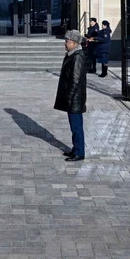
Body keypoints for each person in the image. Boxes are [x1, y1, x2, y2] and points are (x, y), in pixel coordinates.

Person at [54, 29, 87, 162]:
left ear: (74, 43)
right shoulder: (71, 55)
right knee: (74, 126)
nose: (65, 43)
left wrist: (70, 97)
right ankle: (76, 148)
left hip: (75, 99)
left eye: (67, 41)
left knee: (76, 126)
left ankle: (79, 152)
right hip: (72, 98)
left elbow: (75, 80)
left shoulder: (77, 57)